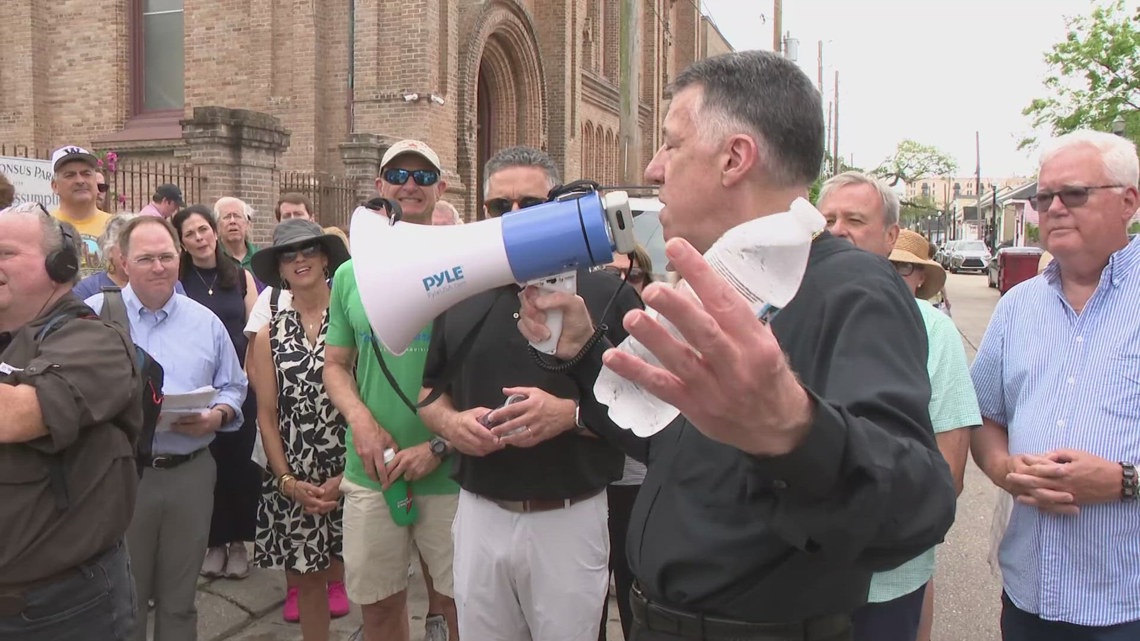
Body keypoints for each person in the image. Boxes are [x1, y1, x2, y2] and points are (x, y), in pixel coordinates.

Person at [516, 50, 955, 640]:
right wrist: (583, 352)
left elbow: (919, 505)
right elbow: (675, 449)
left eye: (670, 144)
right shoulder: (723, 282)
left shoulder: (852, 287)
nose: (652, 168)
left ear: (734, 158)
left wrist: (792, 428)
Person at [418, 146, 640, 641]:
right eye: (500, 207)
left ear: (558, 207)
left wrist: (573, 415)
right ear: (485, 213)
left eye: (531, 204)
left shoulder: (608, 294)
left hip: (568, 517)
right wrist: (450, 425)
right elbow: (429, 389)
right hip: (479, 514)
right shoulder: (459, 293)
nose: (514, 217)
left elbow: (645, 413)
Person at [970, 129, 1140, 641]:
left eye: (1075, 193)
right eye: (1044, 198)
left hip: (1127, 601)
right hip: (1031, 597)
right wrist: (1003, 468)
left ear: (1129, 200)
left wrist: (1124, 481)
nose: (1055, 208)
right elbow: (985, 415)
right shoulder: (1017, 308)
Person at [819, 172, 978, 641]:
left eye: (854, 218)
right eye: (827, 219)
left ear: (891, 236)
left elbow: (949, 473)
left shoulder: (934, 331)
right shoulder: (785, 310)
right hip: (790, 579)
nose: (837, 229)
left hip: (886, 583)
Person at [85, 215, 248, 641]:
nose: (158, 267)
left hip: (190, 472)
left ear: (179, 257)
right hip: (121, 474)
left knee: (180, 601)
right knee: (125, 600)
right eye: (145, 258)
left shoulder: (205, 321)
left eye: (165, 256)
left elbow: (235, 385)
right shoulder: (94, 317)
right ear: (122, 260)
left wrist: (217, 415)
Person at [323, 139, 459, 641]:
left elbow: (482, 374)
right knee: (378, 609)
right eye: (398, 174)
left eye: (424, 177)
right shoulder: (348, 275)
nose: (410, 184)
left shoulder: (466, 265)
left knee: (453, 607)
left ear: (440, 188)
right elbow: (335, 365)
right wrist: (360, 422)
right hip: (372, 470)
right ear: (380, 186)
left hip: (449, 470)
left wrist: (439, 445)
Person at [0, 202, 140, 641]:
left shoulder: (93, 339)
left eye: (3, 252)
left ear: (59, 264)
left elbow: (15, 416)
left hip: (60, 610)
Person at [249, 219, 352, 640]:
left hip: (351, 470)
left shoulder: (352, 322)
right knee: (308, 581)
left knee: (374, 581)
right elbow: (267, 415)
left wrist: (348, 476)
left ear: (325, 257)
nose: (299, 259)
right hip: (296, 475)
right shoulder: (269, 334)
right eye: (288, 254)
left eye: (308, 249)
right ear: (280, 269)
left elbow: (370, 403)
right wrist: (286, 480)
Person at [171, 205, 261, 581]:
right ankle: (214, 542)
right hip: (197, 387)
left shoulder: (239, 277)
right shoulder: (177, 280)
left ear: (214, 232)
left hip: (238, 384)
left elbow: (257, 329)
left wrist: (246, 373)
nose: (200, 238)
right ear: (183, 242)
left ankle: (240, 543)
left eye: (204, 230)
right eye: (190, 234)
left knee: (239, 466)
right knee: (208, 466)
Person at [598, 244, 653, 641]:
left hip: (636, 481)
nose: (619, 285)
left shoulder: (660, 333)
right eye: (608, 275)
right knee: (590, 600)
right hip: (592, 484)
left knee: (636, 591)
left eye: (630, 276)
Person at [49, 146, 113, 279]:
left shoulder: (117, 226)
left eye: (86, 174)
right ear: (55, 186)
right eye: (70, 175)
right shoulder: (44, 225)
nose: (80, 180)